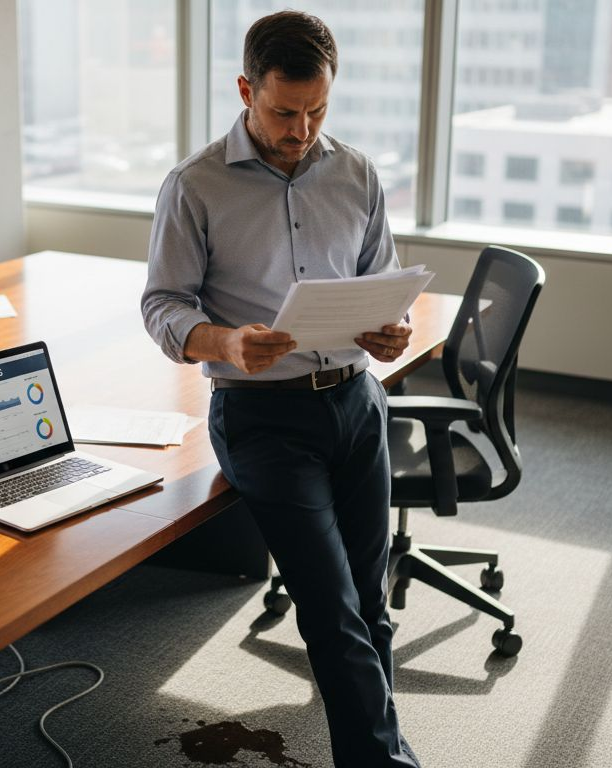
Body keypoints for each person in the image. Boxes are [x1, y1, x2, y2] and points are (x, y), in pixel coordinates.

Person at [140, 10, 420, 768]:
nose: (302, 130)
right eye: (284, 112)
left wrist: (389, 327)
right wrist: (225, 341)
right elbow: (162, 305)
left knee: (369, 603)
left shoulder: (357, 173)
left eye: (318, 110)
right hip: (261, 415)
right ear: (245, 90)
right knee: (332, 613)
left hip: (357, 405)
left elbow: (381, 285)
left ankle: (377, 746)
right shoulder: (194, 185)